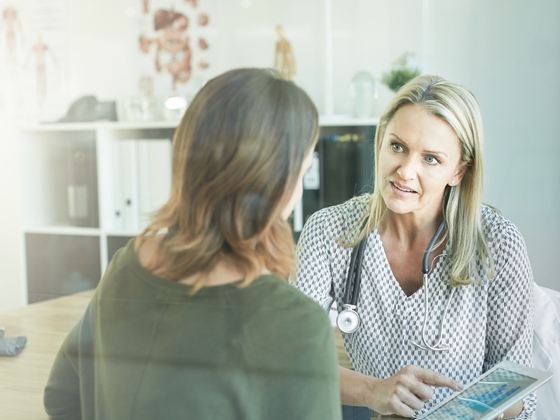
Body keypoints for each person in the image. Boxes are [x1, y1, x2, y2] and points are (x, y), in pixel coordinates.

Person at [44, 68, 342, 420]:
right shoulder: (295, 324)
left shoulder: (125, 266)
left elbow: (61, 399)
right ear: (278, 182)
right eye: (303, 169)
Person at [295, 75, 535, 419]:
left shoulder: (498, 243)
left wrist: (488, 410)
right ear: (379, 141)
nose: (405, 171)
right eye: (397, 147)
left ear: (459, 170)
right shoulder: (329, 231)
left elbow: (518, 391)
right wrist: (371, 391)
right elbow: (292, 360)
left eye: (431, 159)